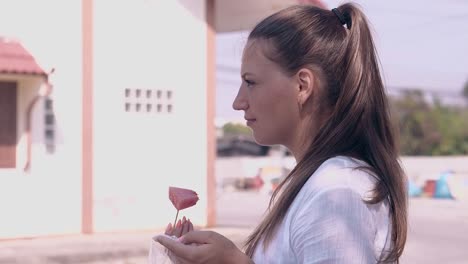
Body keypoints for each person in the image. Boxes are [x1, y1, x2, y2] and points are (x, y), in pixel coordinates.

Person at [157, 3, 407, 263]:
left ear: (302, 86)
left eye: (251, 82)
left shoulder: (336, 191)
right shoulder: (318, 182)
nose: (238, 102)